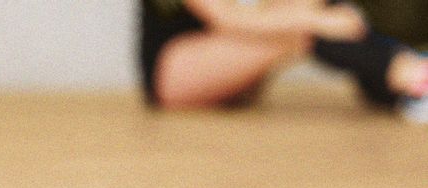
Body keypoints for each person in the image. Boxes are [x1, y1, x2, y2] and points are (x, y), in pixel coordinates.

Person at [140, 0, 428, 110]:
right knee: (298, 32)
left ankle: (400, 78)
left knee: (303, 13)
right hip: (173, 71)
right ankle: (408, 77)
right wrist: (317, 20)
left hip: (230, 62)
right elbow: (226, 18)